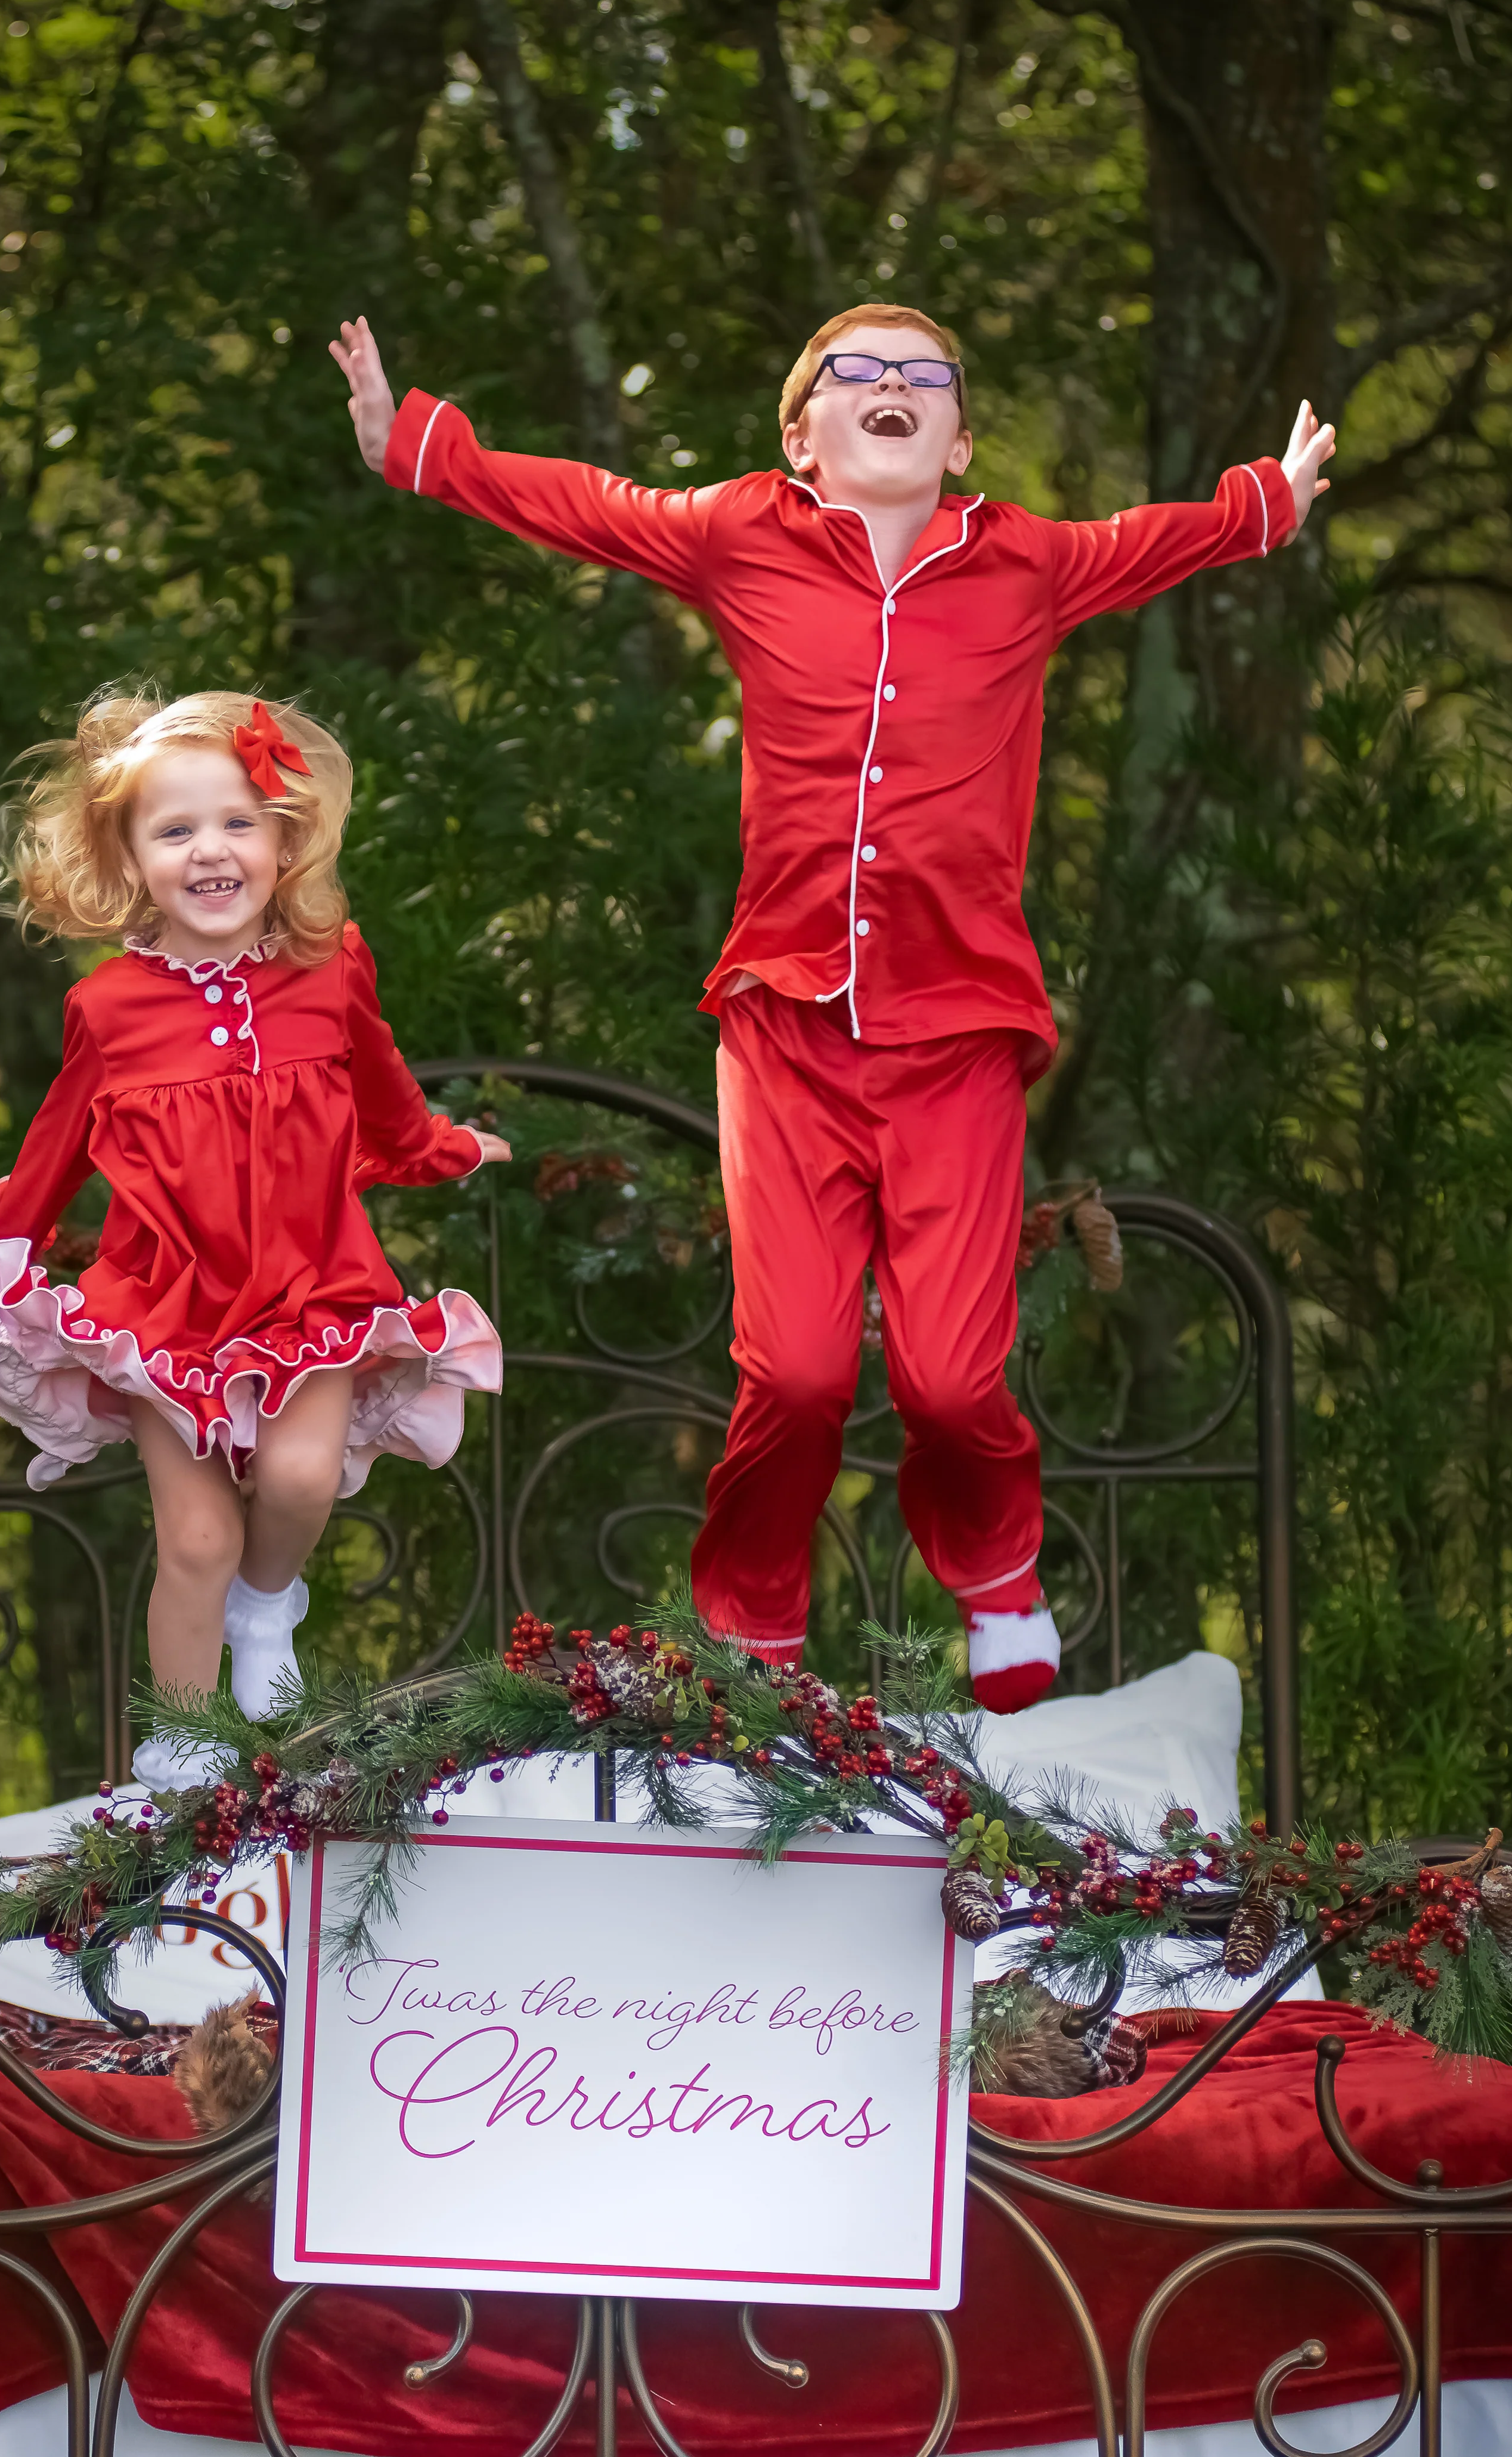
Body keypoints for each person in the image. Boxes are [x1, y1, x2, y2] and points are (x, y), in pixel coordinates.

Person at [329, 305, 1334, 1710]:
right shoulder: (743, 532)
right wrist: (421, 446)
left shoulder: (1025, 563)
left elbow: (1144, 543)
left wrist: (1264, 504)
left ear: (960, 440)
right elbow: (591, 507)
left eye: (924, 378)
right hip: (786, 1025)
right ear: (802, 434)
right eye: (858, 373)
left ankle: (993, 1574)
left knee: (946, 1380)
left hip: (959, 1034)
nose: (893, 388)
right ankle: (753, 1626)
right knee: (795, 1372)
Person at [0, 687, 507, 1779]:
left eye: (238, 822)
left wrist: (444, 1150)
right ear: (131, 856)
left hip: (313, 1289)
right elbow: (53, 1148)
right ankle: (183, 1756)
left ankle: (268, 1605)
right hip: (165, 1309)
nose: (210, 851)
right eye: (175, 829)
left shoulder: (332, 970)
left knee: (293, 1482)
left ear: (284, 840)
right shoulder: (108, 1009)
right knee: (194, 1537)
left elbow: (384, 1101)